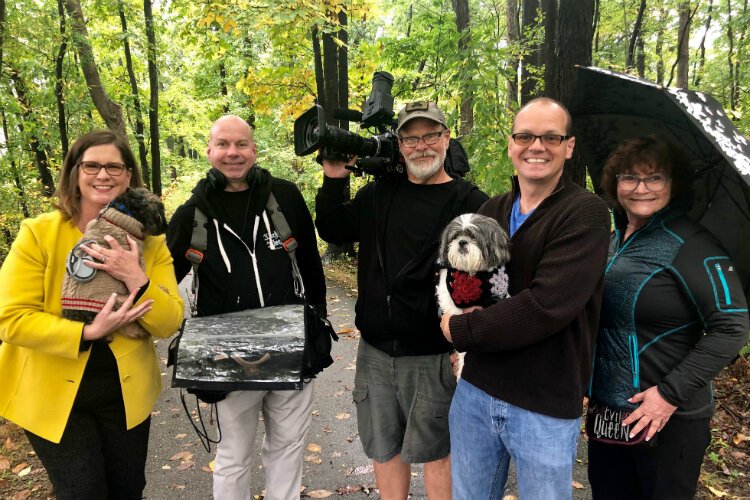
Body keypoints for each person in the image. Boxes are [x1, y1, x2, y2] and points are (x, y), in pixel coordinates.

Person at [440, 97, 611, 499]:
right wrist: (457, 316)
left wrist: (461, 329)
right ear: (511, 143)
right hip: (476, 391)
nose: (537, 146)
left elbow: (546, 306)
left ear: (569, 146)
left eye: (551, 137)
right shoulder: (491, 210)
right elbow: (460, 281)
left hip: (544, 403)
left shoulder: (584, 213)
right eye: (525, 136)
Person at [316, 101, 488, 499]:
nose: (421, 146)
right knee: (385, 447)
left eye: (430, 135)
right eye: (411, 137)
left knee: (437, 453)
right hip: (376, 351)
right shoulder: (379, 195)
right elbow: (334, 226)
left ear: (446, 139)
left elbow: (488, 278)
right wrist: (333, 178)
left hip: (434, 355)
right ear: (399, 144)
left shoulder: (470, 203)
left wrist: (467, 337)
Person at [0, 130, 184, 499]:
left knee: (128, 489)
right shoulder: (39, 233)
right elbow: (10, 317)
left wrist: (136, 277)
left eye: (115, 166)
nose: (104, 175)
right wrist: (84, 333)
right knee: (82, 492)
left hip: (124, 393)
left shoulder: (151, 242)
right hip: (53, 394)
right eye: (92, 165)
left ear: (129, 175)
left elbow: (168, 322)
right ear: (75, 173)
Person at [166, 115, 327, 500]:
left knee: (287, 449)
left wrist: (319, 321)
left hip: (290, 343)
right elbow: (163, 281)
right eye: (223, 144)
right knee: (233, 456)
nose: (233, 153)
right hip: (225, 353)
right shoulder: (191, 214)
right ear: (209, 152)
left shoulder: (285, 197)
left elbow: (310, 265)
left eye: (241, 144)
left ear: (254, 150)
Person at [587, 136, 749, 499]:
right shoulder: (613, 241)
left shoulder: (695, 245)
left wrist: (667, 395)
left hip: (668, 418)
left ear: (673, 184)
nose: (641, 188)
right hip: (610, 414)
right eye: (629, 177)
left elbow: (733, 326)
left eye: (655, 178)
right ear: (615, 183)